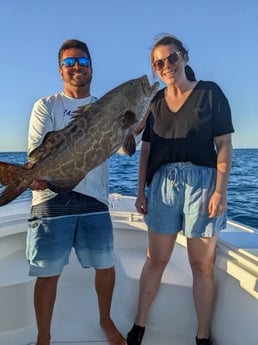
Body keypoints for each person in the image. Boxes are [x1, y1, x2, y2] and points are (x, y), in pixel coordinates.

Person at [126, 34, 234, 345]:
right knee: (155, 260)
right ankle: (139, 325)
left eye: (171, 58)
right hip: (162, 187)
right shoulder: (154, 102)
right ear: (155, 69)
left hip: (203, 184)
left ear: (184, 56)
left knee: (201, 266)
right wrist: (140, 191)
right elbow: (144, 149)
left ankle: (202, 335)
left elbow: (224, 144)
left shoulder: (210, 93)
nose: (166, 66)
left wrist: (220, 191)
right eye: (159, 63)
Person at [25, 39, 125, 345]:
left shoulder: (105, 106)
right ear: (60, 70)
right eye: (69, 63)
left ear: (91, 66)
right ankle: (44, 337)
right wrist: (35, 175)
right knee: (47, 273)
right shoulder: (46, 105)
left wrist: (136, 120)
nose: (76, 67)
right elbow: (37, 151)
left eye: (81, 61)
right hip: (50, 198)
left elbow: (123, 147)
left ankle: (105, 321)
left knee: (105, 265)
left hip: (93, 198)